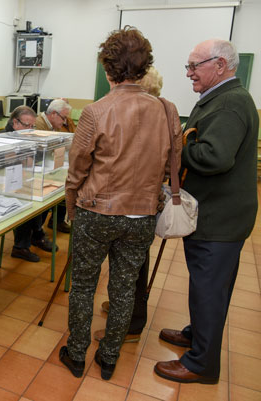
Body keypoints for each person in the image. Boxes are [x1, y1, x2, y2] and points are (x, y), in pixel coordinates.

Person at [59, 27, 182, 381]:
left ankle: (78, 354)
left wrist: (71, 207)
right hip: (142, 213)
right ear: (145, 66)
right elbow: (172, 162)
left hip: (96, 211)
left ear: (108, 67)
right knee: (125, 287)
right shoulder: (168, 110)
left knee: (83, 285)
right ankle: (109, 357)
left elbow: (77, 170)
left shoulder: (96, 111)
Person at [154, 39, 258, 384]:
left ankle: (201, 364)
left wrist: (178, 149)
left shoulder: (228, 103)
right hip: (217, 213)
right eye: (188, 66)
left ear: (220, 65)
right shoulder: (223, 97)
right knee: (206, 285)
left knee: (210, 289)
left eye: (194, 66)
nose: (189, 73)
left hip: (219, 217)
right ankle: (196, 335)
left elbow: (215, 157)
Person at [94, 66, 164, 345]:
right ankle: (125, 311)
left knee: (132, 268)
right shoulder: (157, 111)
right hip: (137, 202)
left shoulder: (151, 114)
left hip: (132, 202)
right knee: (131, 265)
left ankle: (130, 324)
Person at [4, 105, 55, 262]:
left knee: (45, 199)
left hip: (26, 178)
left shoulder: (28, 134)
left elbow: (36, 156)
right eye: (27, 125)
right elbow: (4, 164)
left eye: (32, 125)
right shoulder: (3, 137)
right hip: (6, 183)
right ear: (15, 122)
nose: (30, 129)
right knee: (26, 203)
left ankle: (37, 234)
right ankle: (20, 247)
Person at [34, 98, 76, 233]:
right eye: (63, 118)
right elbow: (44, 149)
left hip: (47, 167)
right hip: (37, 170)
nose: (64, 122)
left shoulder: (53, 126)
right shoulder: (39, 124)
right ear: (53, 114)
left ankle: (56, 221)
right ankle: (37, 232)